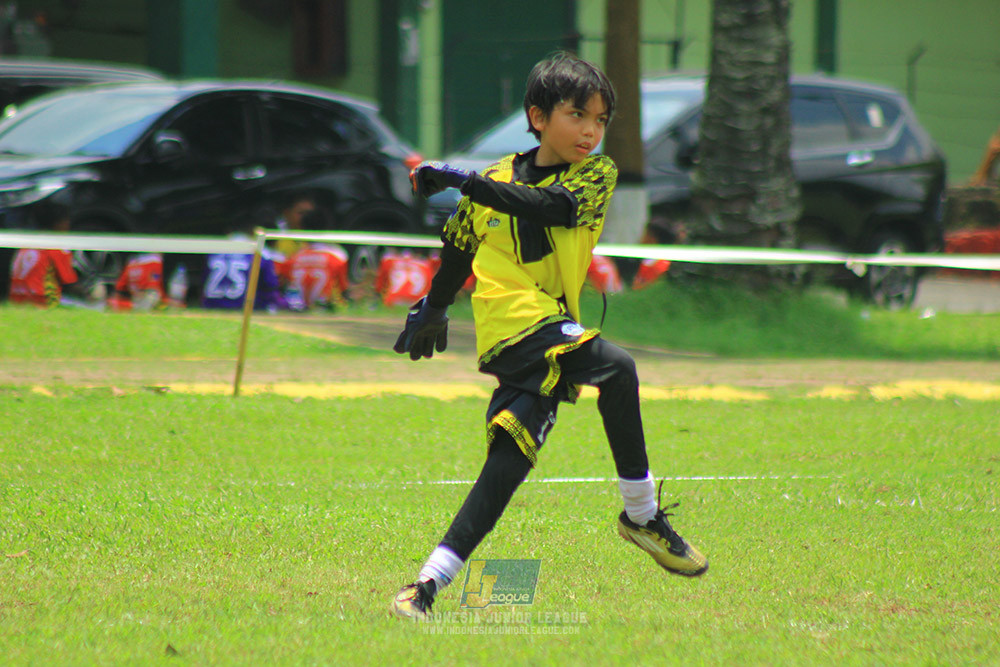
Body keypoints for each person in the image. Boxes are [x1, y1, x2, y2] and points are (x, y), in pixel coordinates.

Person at [391, 52, 708, 621]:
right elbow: (458, 250)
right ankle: (641, 515)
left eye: (600, 119)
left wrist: (462, 181)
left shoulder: (595, 174)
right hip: (512, 324)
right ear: (537, 117)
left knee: (506, 466)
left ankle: (425, 587)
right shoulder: (491, 182)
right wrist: (434, 307)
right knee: (618, 367)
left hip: (552, 327)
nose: (591, 130)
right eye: (577, 115)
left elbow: (552, 208)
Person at [8, 201, 79, 307]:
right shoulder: (57, 247)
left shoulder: (25, 245)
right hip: (41, 300)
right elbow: (70, 282)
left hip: (17, 299)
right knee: (94, 306)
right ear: (60, 223)